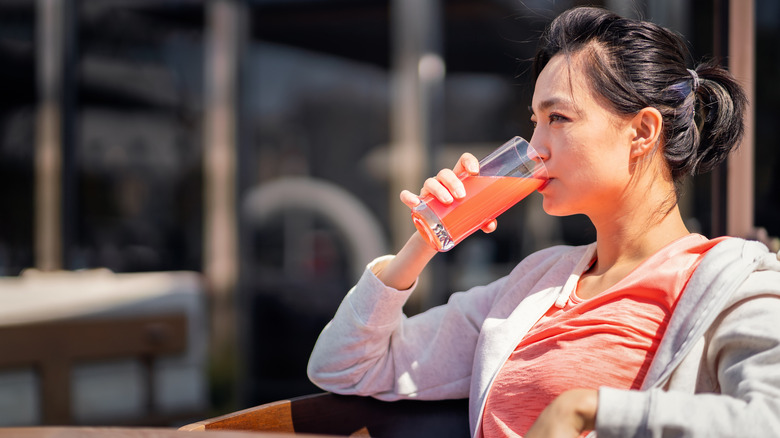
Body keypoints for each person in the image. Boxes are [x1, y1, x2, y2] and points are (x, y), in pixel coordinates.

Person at [307, 6, 780, 438]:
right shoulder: (536, 285)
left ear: (641, 132)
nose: (535, 146)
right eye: (535, 120)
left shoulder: (736, 286)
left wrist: (588, 410)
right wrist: (424, 242)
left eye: (558, 118)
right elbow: (345, 367)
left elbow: (768, 420)